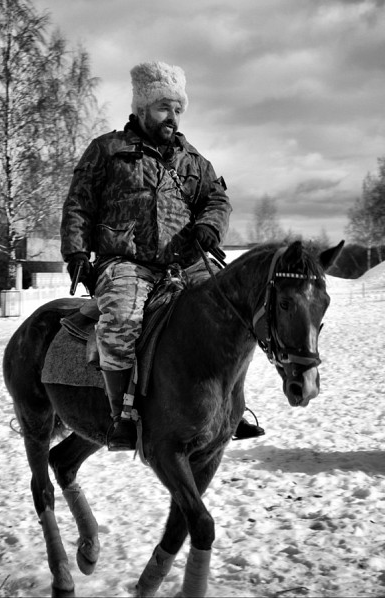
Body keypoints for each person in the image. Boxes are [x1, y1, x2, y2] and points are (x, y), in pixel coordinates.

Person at [61, 60, 264, 450]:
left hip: (184, 261)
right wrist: (76, 252)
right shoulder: (106, 150)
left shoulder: (193, 160)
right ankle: (122, 414)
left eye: (177, 109)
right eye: (163, 107)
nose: (172, 117)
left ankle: (228, 404)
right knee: (120, 321)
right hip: (125, 260)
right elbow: (79, 204)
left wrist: (209, 226)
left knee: (229, 309)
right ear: (141, 108)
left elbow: (217, 200)